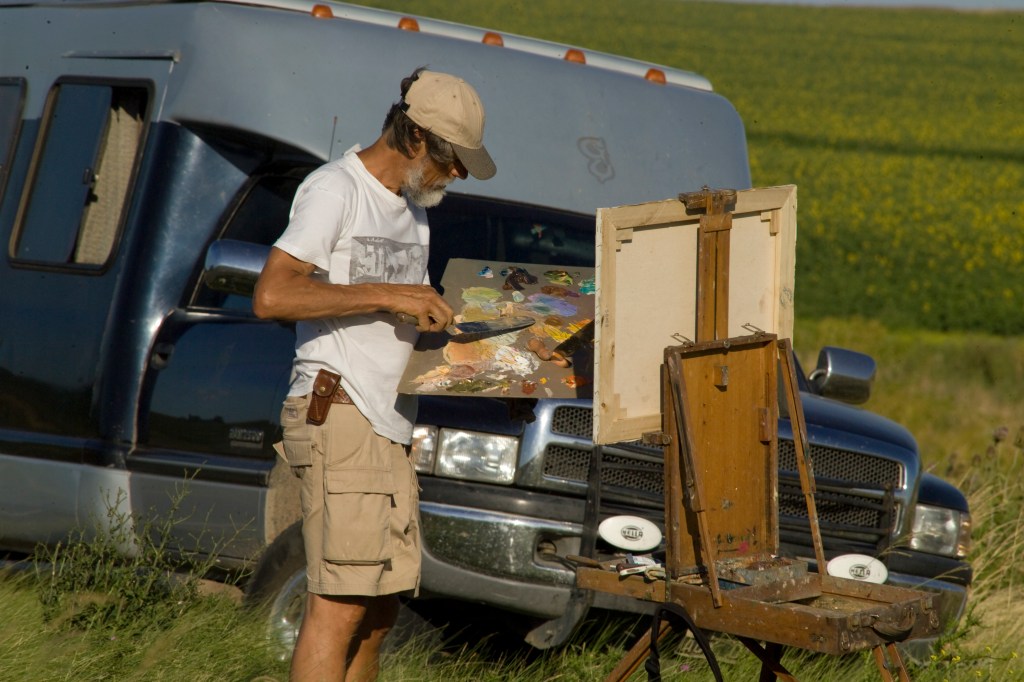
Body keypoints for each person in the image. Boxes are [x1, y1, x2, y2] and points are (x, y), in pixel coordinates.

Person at [252, 68, 496, 682]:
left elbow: (393, 325)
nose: (460, 174)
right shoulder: (335, 189)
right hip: (339, 410)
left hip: (387, 425)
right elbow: (273, 296)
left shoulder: (413, 211)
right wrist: (390, 294)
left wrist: (496, 377)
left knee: (379, 614)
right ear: (415, 137)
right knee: (337, 609)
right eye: (453, 159)